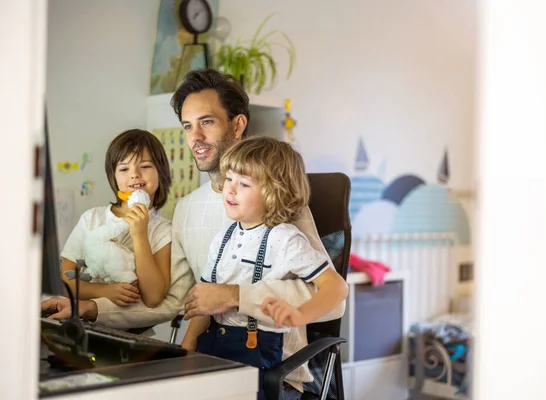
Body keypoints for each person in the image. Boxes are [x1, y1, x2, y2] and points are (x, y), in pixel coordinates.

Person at [42, 68, 344, 395]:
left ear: (238, 124)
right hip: (213, 362)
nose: (195, 137)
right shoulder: (186, 209)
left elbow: (333, 303)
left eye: (207, 122)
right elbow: (177, 302)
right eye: (187, 126)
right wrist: (93, 308)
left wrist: (234, 297)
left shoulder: (276, 203)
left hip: (272, 373)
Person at [180, 136, 348, 400]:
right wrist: (188, 346)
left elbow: (337, 287)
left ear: (274, 193)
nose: (230, 190)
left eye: (244, 184)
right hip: (219, 356)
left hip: (267, 369)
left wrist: (300, 314)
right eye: (229, 179)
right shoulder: (223, 238)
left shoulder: (286, 239)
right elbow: (205, 299)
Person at [59, 129, 172, 308]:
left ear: (162, 172)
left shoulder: (164, 230)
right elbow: (65, 283)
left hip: (128, 332)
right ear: (114, 177)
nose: (134, 174)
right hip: (79, 324)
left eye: (145, 166)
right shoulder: (92, 218)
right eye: (124, 168)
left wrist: (140, 235)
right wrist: (104, 291)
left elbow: (153, 297)